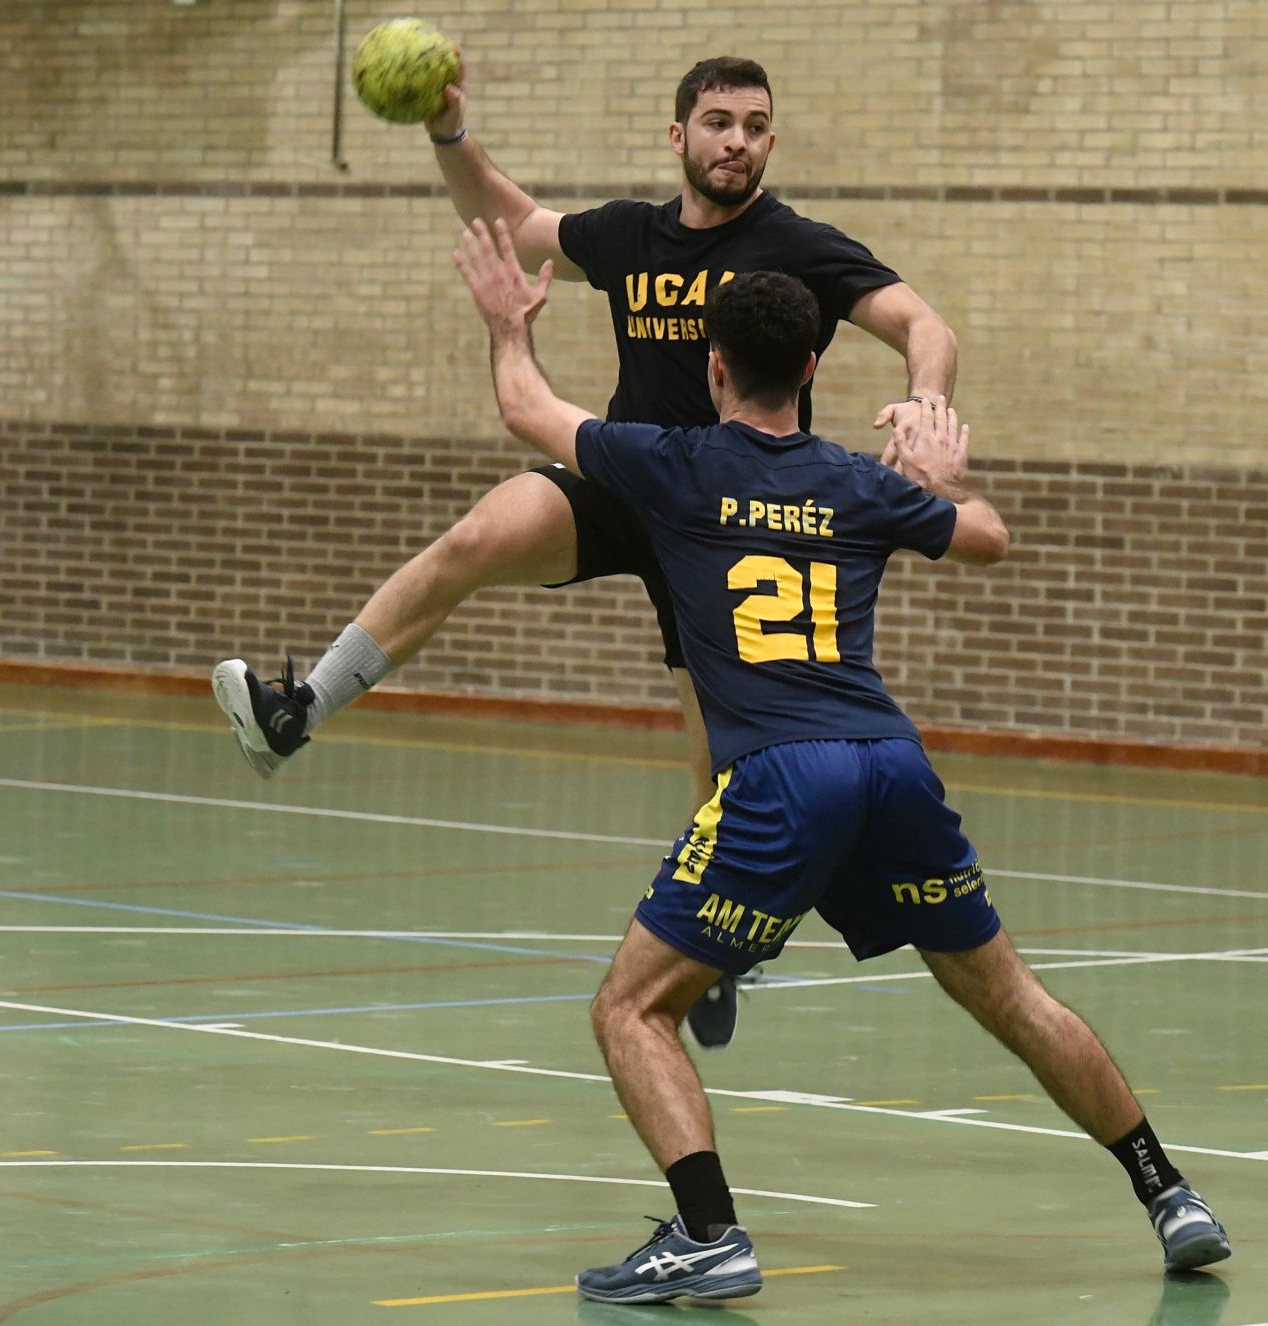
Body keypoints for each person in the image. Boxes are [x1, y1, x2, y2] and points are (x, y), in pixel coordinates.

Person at [451, 216, 1233, 1301]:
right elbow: (991, 539)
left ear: (714, 366)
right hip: (891, 765)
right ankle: (1170, 1192)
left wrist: (506, 325)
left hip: (780, 776)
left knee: (631, 1009)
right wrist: (944, 474)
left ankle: (708, 1231)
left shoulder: (672, 464)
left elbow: (525, 410)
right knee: (1009, 996)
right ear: (813, 369)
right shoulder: (855, 480)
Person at [211, 56, 956, 1050]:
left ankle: (717, 943)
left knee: (718, 755)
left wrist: (927, 397)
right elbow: (515, 223)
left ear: (771, 144)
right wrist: (447, 133)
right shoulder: (632, 237)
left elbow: (922, 322)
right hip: (630, 482)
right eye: (719, 121)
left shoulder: (795, 248)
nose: (737, 140)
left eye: (757, 125)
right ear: (678, 136)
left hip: (731, 529)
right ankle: (296, 715)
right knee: (479, 534)